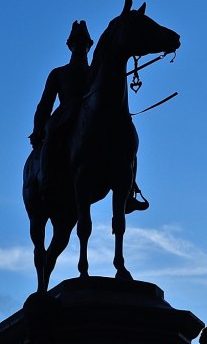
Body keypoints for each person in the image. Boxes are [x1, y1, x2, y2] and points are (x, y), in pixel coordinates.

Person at [30, 20, 149, 213]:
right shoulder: (59, 73)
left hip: (92, 115)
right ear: (70, 45)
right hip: (66, 113)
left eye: (84, 43)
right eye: (76, 42)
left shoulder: (96, 70)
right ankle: (48, 181)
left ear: (89, 46)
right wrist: (37, 128)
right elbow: (45, 104)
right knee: (51, 132)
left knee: (126, 136)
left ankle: (129, 190)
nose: (80, 46)